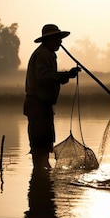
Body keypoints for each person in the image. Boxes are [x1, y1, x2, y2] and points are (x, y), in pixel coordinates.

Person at [24, 24, 79, 170]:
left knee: (45, 141)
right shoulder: (43, 54)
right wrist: (66, 74)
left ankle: (42, 177)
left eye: (60, 39)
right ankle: (40, 175)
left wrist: (67, 74)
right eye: (57, 39)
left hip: (42, 105)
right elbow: (43, 77)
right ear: (49, 40)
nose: (60, 42)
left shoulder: (47, 53)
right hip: (37, 105)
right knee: (40, 142)